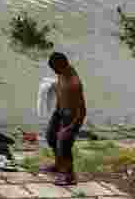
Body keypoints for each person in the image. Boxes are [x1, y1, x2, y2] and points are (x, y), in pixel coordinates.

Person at [44, 52, 86, 187]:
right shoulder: (62, 72)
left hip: (71, 115)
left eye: (55, 68)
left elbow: (82, 111)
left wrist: (71, 128)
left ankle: (69, 176)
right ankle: (58, 165)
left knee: (64, 144)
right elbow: (60, 89)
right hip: (60, 111)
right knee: (51, 136)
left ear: (62, 65)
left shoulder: (75, 83)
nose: (54, 71)